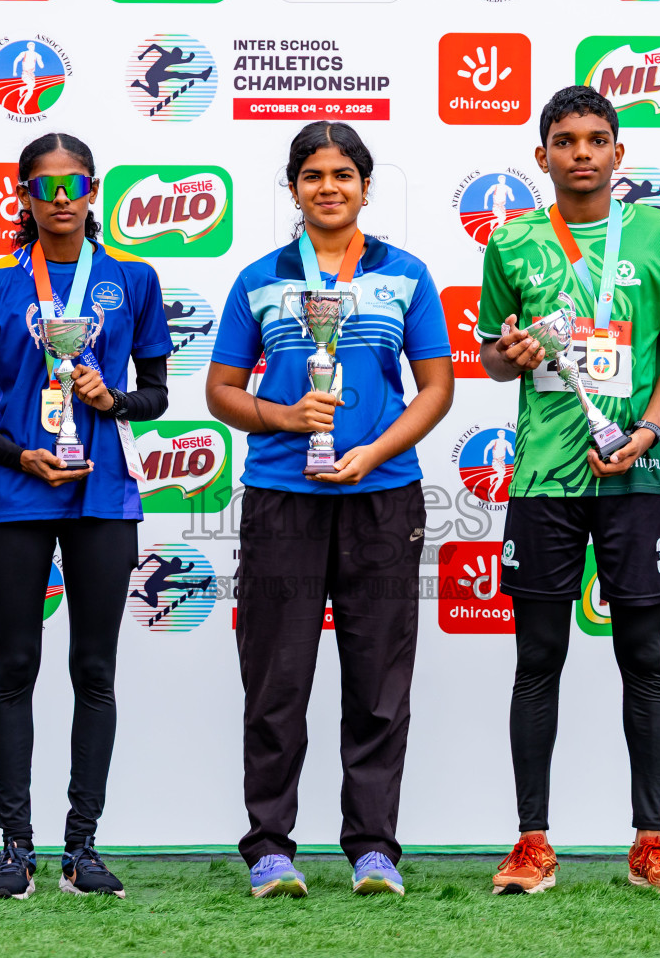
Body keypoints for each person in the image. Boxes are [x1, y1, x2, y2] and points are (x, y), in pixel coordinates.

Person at [206, 122, 453, 898]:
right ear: (293, 189)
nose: (329, 187)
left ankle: (373, 848)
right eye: (313, 175)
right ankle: (271, 847)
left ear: (365, 186)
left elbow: (438, 387)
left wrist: (374, 451)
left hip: (382, 497)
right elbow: (219, 391)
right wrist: (284, 418)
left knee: (379, 680)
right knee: (276, 676)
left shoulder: (406, 275)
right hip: (284, 496)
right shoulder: (260, 279)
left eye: (343, 174)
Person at [477, 86, 660, 896]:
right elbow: (493, 357)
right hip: (544, 477)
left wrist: (646, 430)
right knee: (537, 659)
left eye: (596, 139)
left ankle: (651, 840)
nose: (582, 153)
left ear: (620, 154)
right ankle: (531, 842)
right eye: (565, 141)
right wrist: (510, 351)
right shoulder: (511, 241)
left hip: (635, 474)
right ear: (541, 156)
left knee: (644, 658)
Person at [0, 132, 172, 901]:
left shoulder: (133, 279)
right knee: (15, 669)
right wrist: (15, 457)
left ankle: (84, 849)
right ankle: (16, 849)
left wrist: (113, 403)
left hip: (105, 497)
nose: (62, 200)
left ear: (95, 190)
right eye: (45, 187)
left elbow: (157, 395)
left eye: (75, 185)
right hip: (19, 497)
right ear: (24, 196)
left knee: (94, 671)